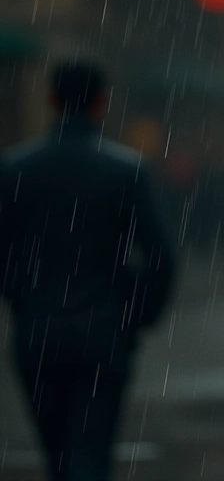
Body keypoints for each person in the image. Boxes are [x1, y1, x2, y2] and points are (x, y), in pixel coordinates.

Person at [0, 60, 175, 481]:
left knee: (57, 454)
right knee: (91, 453)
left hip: (38, 334)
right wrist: (134, 317)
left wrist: (24, 300)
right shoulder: (125, 170)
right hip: (102, 332)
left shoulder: (16, 168)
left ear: (51, 100)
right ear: (100, 102)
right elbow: (161, 256)